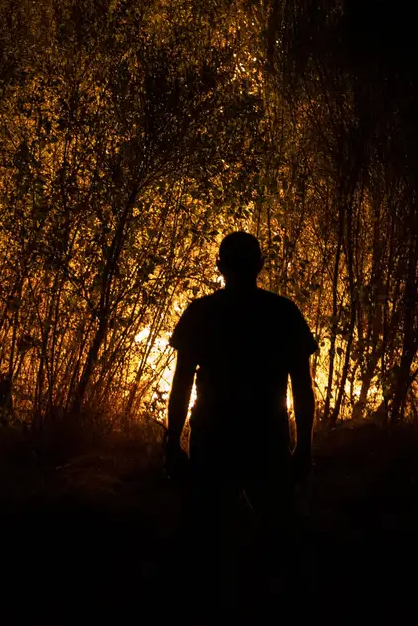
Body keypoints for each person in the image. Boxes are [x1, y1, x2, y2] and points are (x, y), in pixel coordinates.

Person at [164, 231, 318, 590]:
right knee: (283, 542)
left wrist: (174, 442)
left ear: (219, 266)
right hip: (266, 439)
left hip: (213, 440)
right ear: (260, 266)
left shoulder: (201, 313)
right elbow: (303, 388)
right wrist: (305, 447)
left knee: (203, 544)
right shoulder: (282, 312)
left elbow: (181, 383)